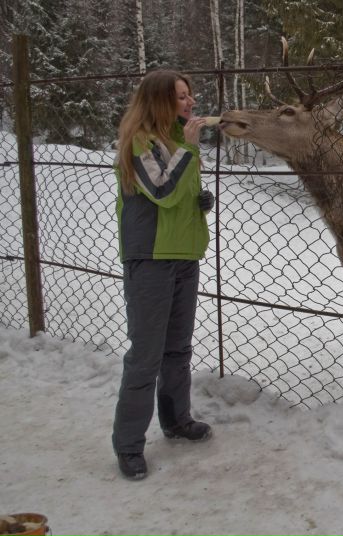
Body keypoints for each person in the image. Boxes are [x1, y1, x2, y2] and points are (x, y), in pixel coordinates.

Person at [112, 70, 216, 480]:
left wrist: (200, 200)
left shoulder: (174, 140)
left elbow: (179, 196)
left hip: (183, 256)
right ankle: (128, 445)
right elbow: (161, 191)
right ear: (158, 101)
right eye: (180, 98)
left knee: (178, 349)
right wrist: (189, 152)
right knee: (145, 357)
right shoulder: (141, 140)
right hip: (150, 259)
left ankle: (176, 420)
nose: (189, 104)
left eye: (190, 96)